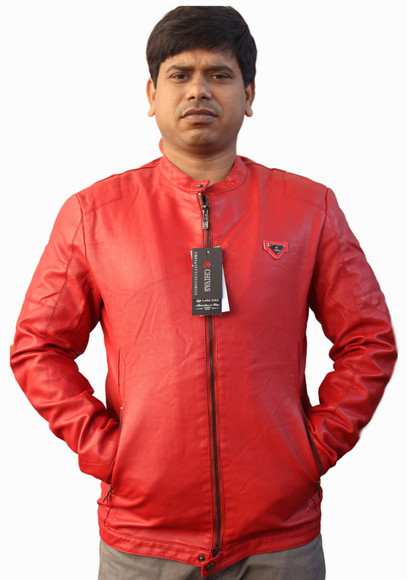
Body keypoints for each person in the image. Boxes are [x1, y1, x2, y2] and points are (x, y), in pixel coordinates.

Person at [10, 6, 397, 579]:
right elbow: (38, 347)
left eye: (219, 74)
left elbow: (369, 339)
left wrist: (312, 450)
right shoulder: (94, 214)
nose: (198, 90)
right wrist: (109, 452)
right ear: (151, 95)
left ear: (249, 94)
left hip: (278, 538)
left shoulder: (308, 208)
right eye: (179, 74)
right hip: (144, 538)